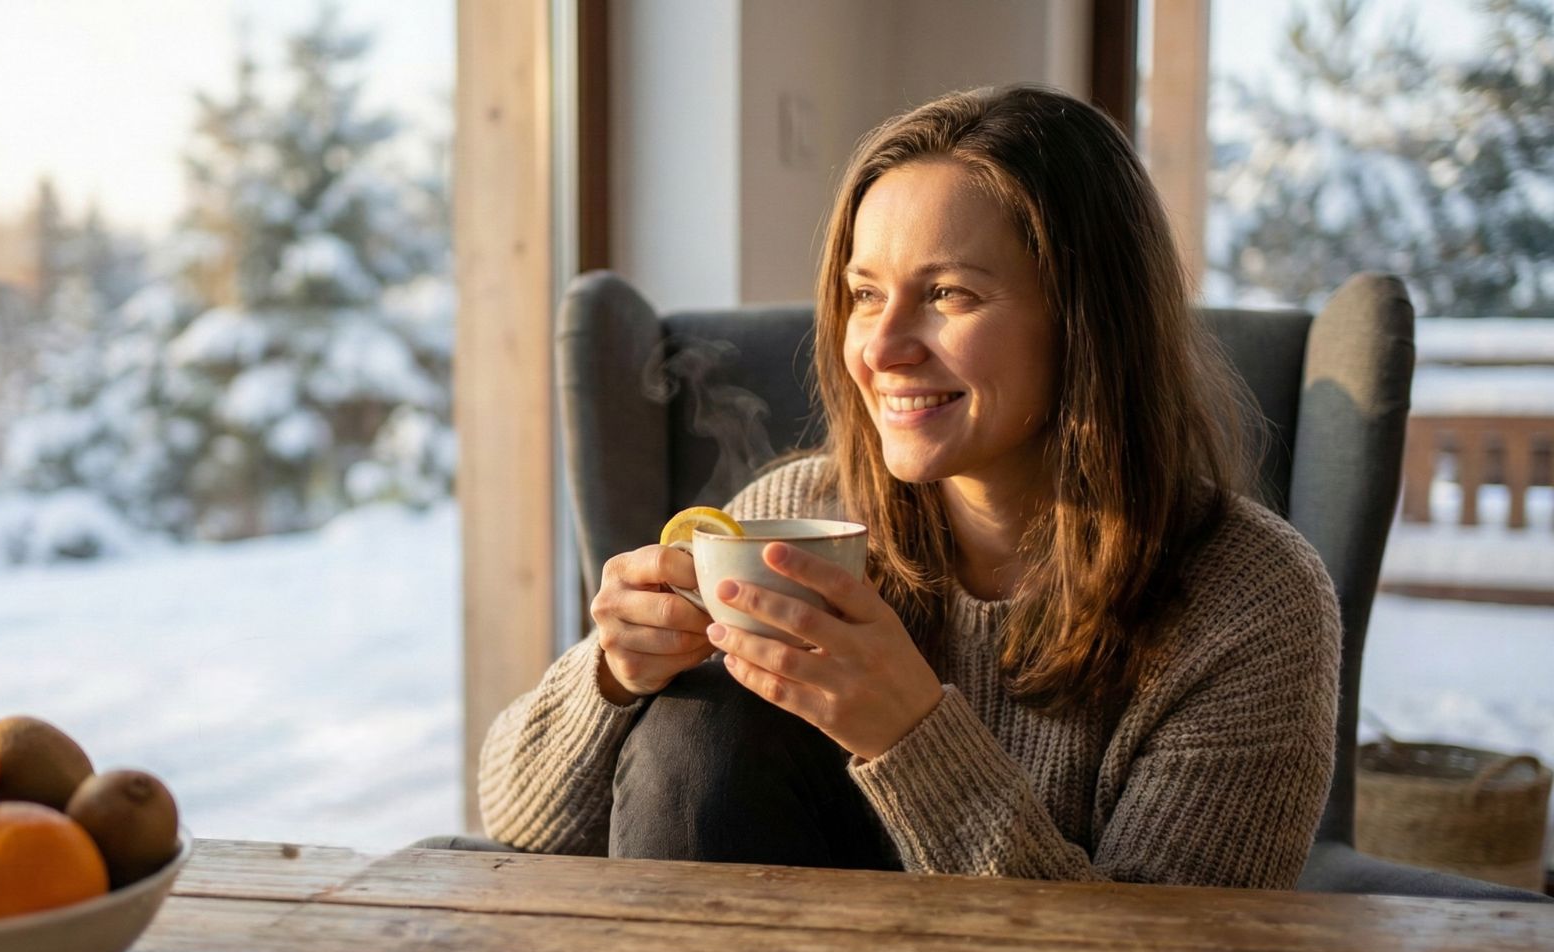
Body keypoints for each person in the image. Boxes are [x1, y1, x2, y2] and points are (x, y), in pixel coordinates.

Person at [476, 84, 1339, 888]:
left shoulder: (1250, 605)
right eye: (863, 294)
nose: (881, 348)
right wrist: (615, 677)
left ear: (1088, 322)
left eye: (949, 294)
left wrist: (909, 736)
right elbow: (517, 817)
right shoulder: (795, 516)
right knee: (700, 723)